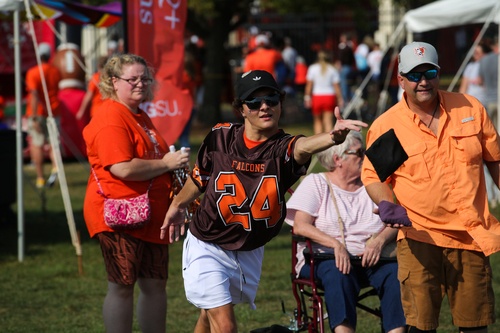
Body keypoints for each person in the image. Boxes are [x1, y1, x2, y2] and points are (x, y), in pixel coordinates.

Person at [160, 70, 367, 333]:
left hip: (249, 246)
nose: (265, 107)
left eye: (271, 99)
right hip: (208, 241)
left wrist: (331, 138)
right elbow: (200, 178)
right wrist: (177, 205)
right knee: (225, 324)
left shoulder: (282, 148)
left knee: (210, 310)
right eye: (255, 102)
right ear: (241, 110)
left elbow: (302, 146)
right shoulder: (220, 136)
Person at [361, 41, 500, 333]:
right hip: (419, 238)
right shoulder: (389, 126)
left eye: (429, 73)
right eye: (414, 75)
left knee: (475, 326)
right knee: (420, 327)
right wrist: (388, 203)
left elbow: (495, 162)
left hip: (471, 237)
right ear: (400, 79)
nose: (423, 82)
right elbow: (373, 177)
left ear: (439, 73)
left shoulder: (470, 108)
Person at [82, 53, 190, 333]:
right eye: (133, 79)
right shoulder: (110, 117)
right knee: (122, 285)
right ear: (114, 82)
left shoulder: (139, 115)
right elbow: (122, 168)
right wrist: (166, 163)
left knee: (155, 284)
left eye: (145, 78)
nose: (140, 84)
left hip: (150, 215)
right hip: (120, 215)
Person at [285, 131, 405, 333]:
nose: (366, 157)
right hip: (323, 260)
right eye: (359, 152)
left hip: (374, 259)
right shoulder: (316, 183)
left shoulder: (374, 186)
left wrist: (379, 242)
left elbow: (395, 221)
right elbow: (301, 226)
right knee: (338, 273)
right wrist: (335, 244)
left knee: (395, 274)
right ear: (337, 158)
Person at [24, 42, 61, 189]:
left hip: (38, 112)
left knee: (37, 145)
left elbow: (33, 94)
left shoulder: (33, 72)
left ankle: (40, 178)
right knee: (54, 144)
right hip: (54, 110)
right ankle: (55, 167)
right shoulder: (55, 71)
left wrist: (33, 117)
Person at [304, 50, 344, 134]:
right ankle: (328, 143)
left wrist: (307, 97)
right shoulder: (333, 69)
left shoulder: (312, 68)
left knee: (317, 121)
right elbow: (336, 87)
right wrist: (340, 98)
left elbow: (309, 85)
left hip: (317, 96)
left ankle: (318, 143)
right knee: (328, 121)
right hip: (329, 96)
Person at [76, 55, 108, 121]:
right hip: (108, 110)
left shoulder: (95, 78)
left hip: (97, 111)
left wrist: (81, 111)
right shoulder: (111, 78)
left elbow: (88, 96)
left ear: (99, 66)